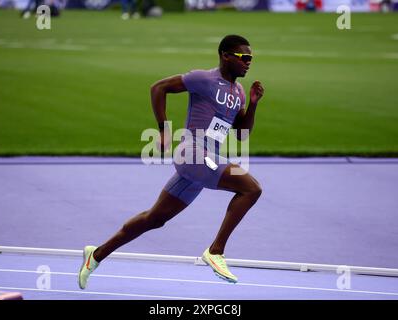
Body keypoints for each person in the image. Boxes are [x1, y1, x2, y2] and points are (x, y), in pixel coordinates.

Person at [78, 35, 264, 289]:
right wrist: (164, 129)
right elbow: (158, 87)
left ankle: (96, 254)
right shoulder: (204, 79)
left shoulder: (238, 91)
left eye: (251, 59)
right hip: (193, 153)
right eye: (244, 57)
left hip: (205, 160)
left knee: (155, 218)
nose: (248, 63)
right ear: (225, 55)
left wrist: (252, 105)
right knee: (251, 188)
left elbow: (242, 133)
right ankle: (216, 251)